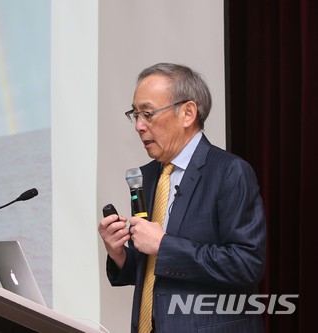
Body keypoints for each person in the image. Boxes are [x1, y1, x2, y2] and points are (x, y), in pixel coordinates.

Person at [98, 63, 266, 333]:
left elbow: (246, 265)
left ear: (188, 113)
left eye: (148, 113)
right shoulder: (149, 176)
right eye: (135, 114)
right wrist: (119, 255)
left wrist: (163, 245)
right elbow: (155, 272)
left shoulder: (229, 172)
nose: (139, 126)